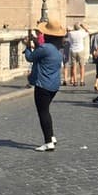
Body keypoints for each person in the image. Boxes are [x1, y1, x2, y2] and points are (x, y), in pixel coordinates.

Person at [24, 18, 64, 152]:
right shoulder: (57, 50)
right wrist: (35, 44)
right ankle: (51, 136)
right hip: (54, 85)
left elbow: (30, 57)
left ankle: (48, 142)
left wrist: (27, 47)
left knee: (43, 113)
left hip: (43, 85)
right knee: (46, 111)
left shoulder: (45, 48)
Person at [67, 22, 88, 86]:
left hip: (73, 50)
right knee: (82, 66)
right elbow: (87, 32)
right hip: (80, 50)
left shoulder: (70, 33)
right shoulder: (81, 33)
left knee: (74, 66)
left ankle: (75, 81)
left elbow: (69, 41)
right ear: (79, 27)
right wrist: (83, 26)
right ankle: (82, 81)